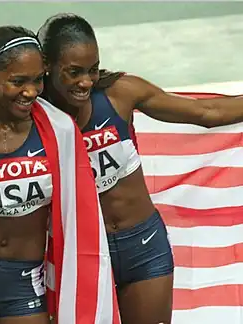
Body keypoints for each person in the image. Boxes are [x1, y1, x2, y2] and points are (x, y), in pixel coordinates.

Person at [37, 13, 243, 324]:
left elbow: (207, 111)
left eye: (92, 70)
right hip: (82, 255)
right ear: (47, 65)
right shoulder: (33, 117)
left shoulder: (119, 93)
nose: (86, 82)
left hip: (142, 246)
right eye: (74, 72)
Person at [0, 26, 119, 324]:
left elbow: (80, 215)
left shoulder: (59, 130)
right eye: (18, 81)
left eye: (38, 80)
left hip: (23, 283)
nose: (31, 91)